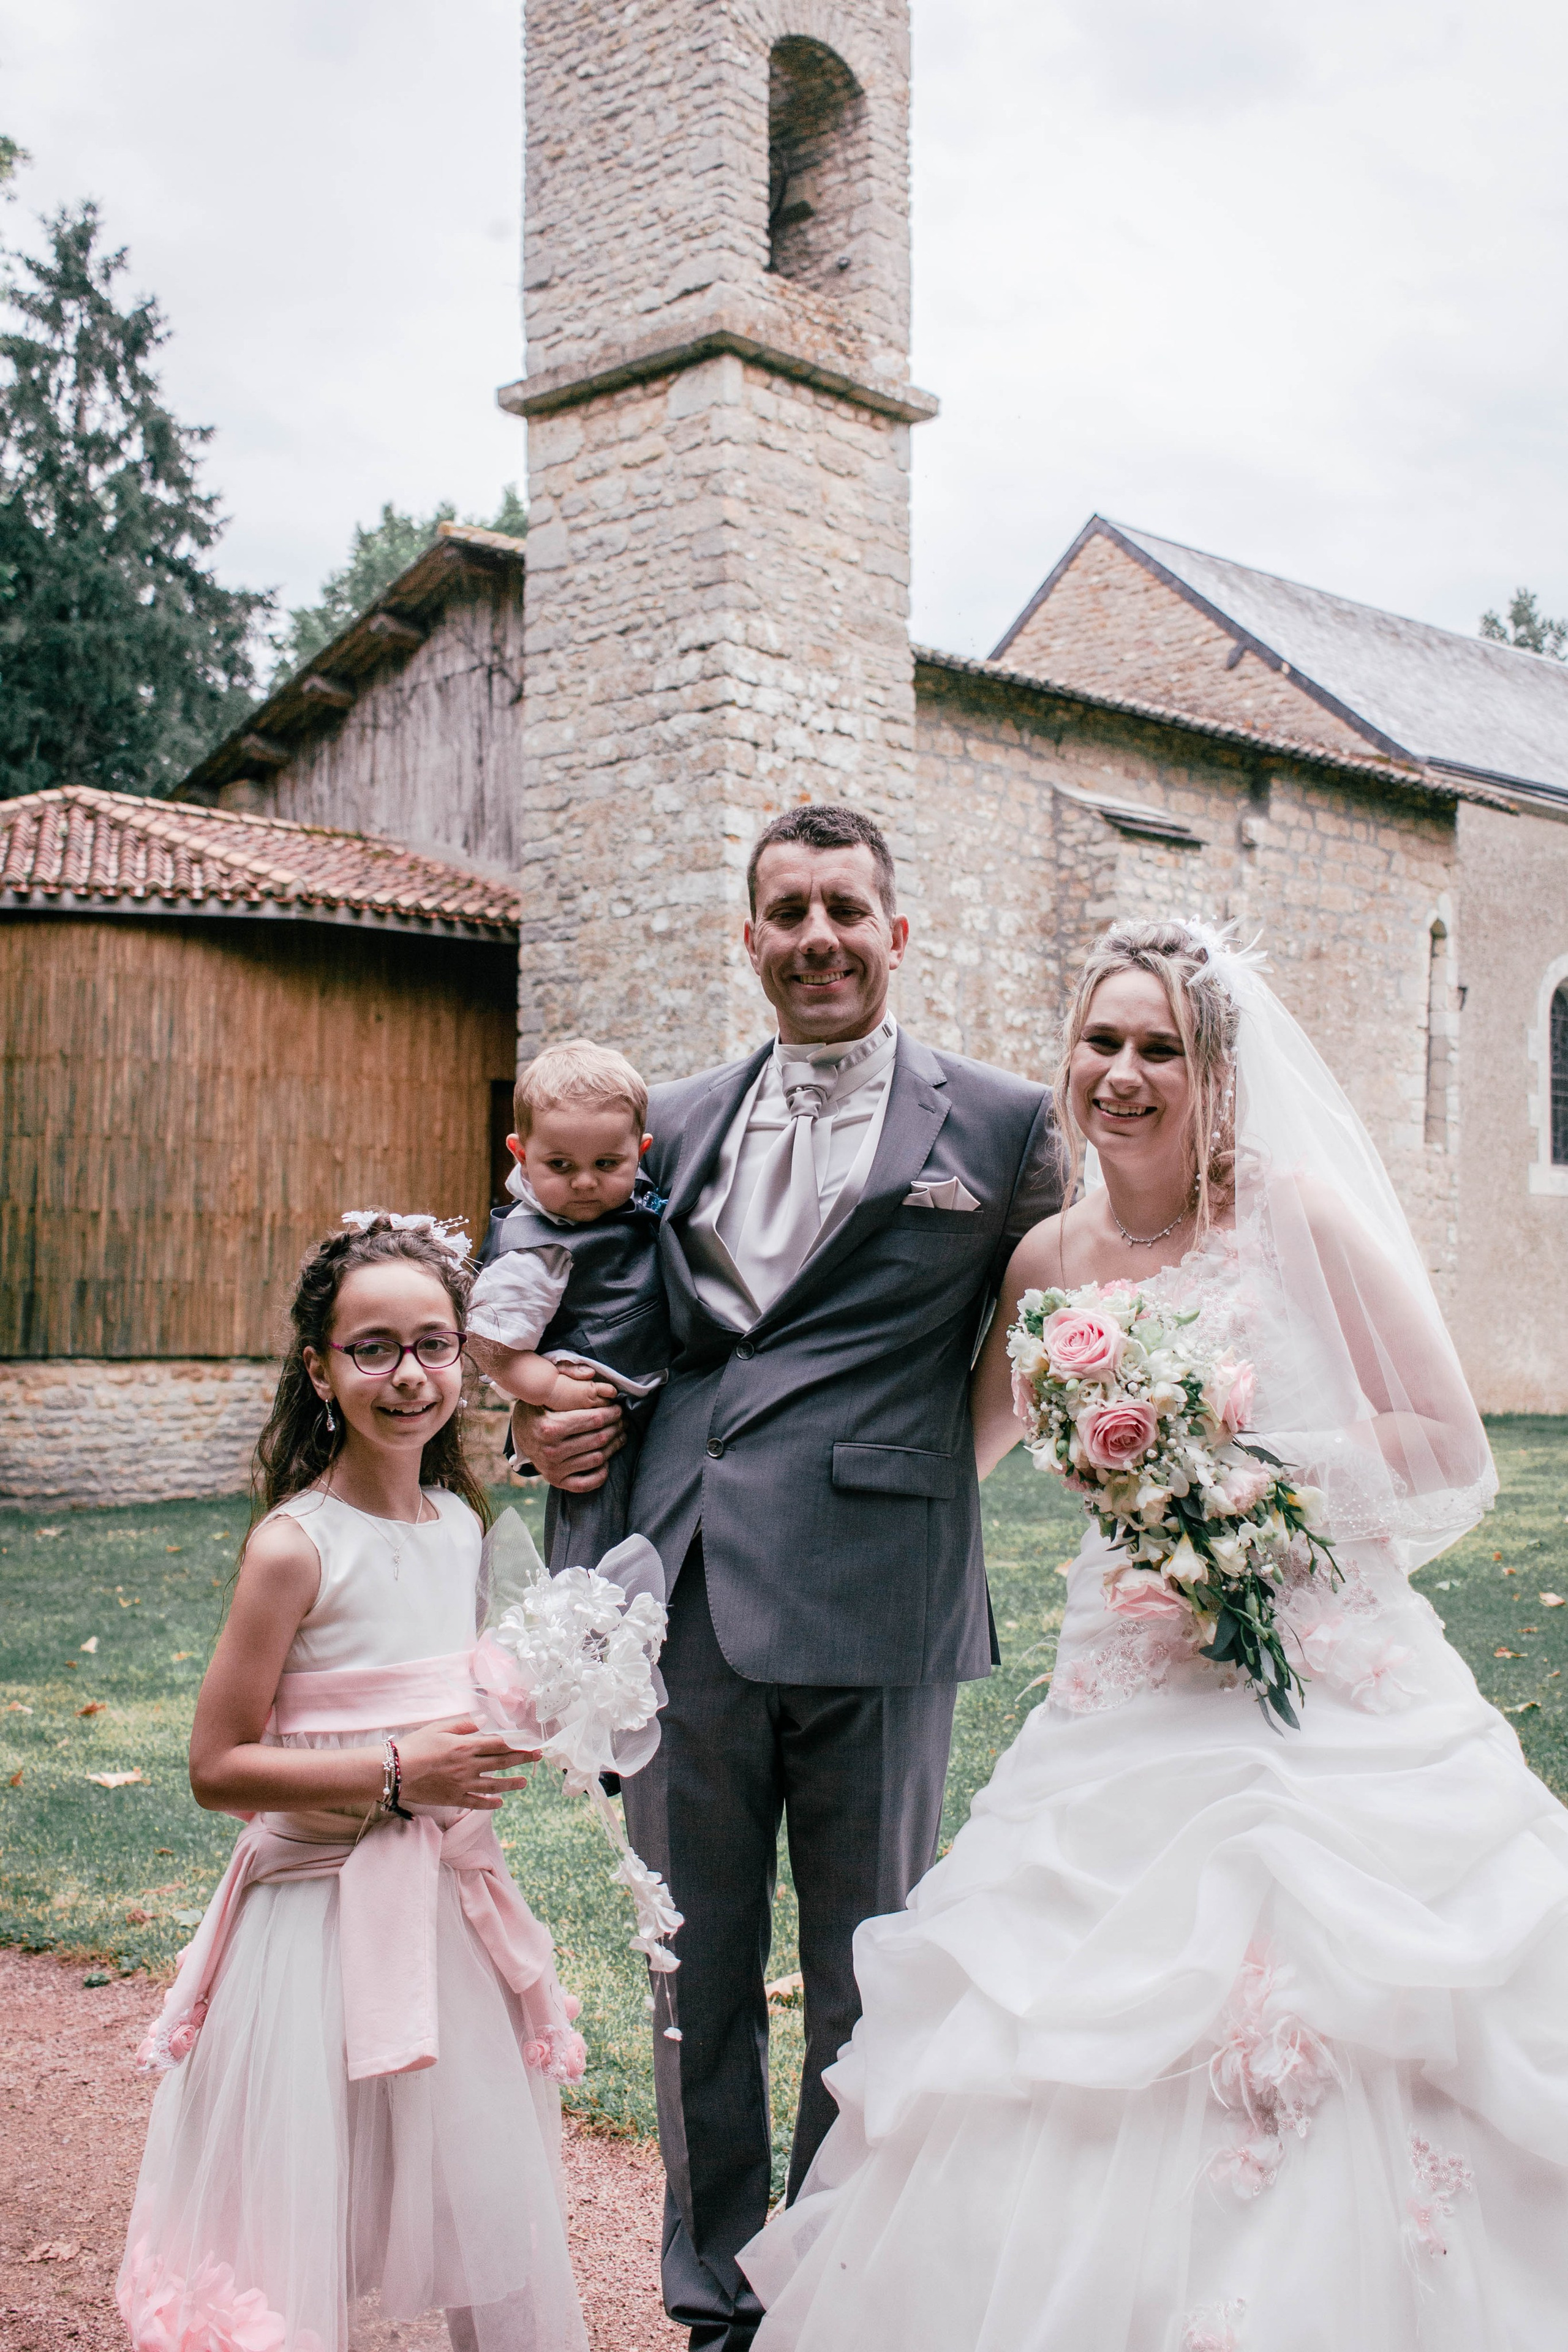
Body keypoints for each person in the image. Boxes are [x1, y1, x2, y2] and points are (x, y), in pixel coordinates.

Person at [737, 919, 1568, 2351]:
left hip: (1319, 1695)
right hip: (1117, 1699)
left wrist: (1240, 1490)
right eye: (1100, 1041)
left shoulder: (1293, 1216)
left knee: (1332, 2018)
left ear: (1214, 1074)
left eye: (1157, 1049)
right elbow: (961, 1442)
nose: (1119, 1074)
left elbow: (1441, 1444)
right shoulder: (1045, 1258)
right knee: (1056, 2026)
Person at [514, 804, 1061, 2350]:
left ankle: (837, 2288)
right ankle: (710, 2295)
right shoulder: (666, 1120)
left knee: (864, 1968)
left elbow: (1041, 1318)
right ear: (745, 934)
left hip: (882, 1586)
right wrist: (538, 1411)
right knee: (688, 1966)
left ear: (897, 929)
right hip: (674, 1587)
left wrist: (939, 1465)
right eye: (786, 911)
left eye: (844, 909)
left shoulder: (1002, 1124)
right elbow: (582, 1298)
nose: (816, 937)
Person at [118, 1215, 589, 2352]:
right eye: (372, 1348)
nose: (408, 1375)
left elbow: (454, 1697)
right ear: (321, 1370)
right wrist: (398, 1770)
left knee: (476, 2193)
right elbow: (215, 1767)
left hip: (444, 1921)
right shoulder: (297, 1544)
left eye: (433, 1345)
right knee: (304, 2207)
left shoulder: (462, 1530)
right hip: (314, 1928)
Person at [469, 1038, 670, 1570]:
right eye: (559, 1165)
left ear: (640, 1152)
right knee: (592, 1569)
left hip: (661, 1412)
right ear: (520, 1154)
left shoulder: (628, 1200)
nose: (584, 1182)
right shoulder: (534, 1250)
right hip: (598, 1424)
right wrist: (555, 1391)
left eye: (607, 1163)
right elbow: (491, 1347)